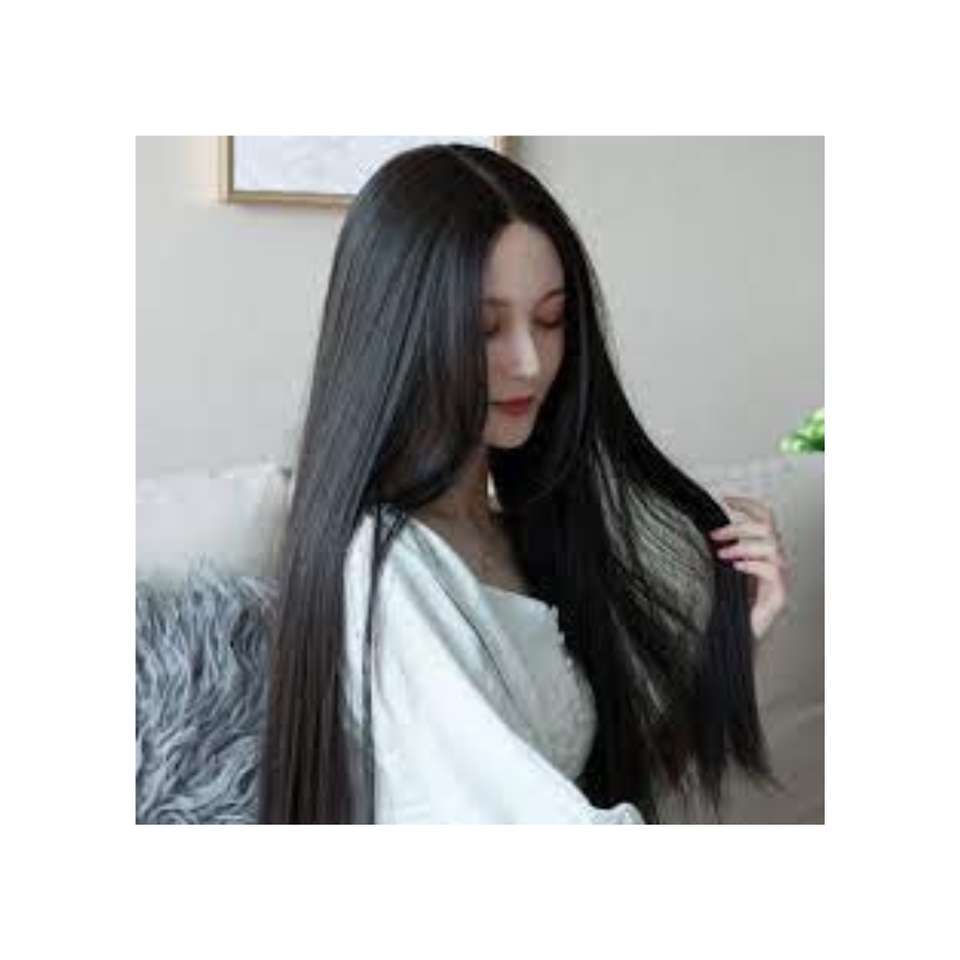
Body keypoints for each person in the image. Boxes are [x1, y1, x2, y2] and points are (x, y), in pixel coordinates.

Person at [258, 143, 790, 824]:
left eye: (550, 318)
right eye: (486, 328)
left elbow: (590, 794)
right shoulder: (385, 570)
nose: (531, 361)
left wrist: (736, 639)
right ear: (398, 335)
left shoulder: (512, 529)